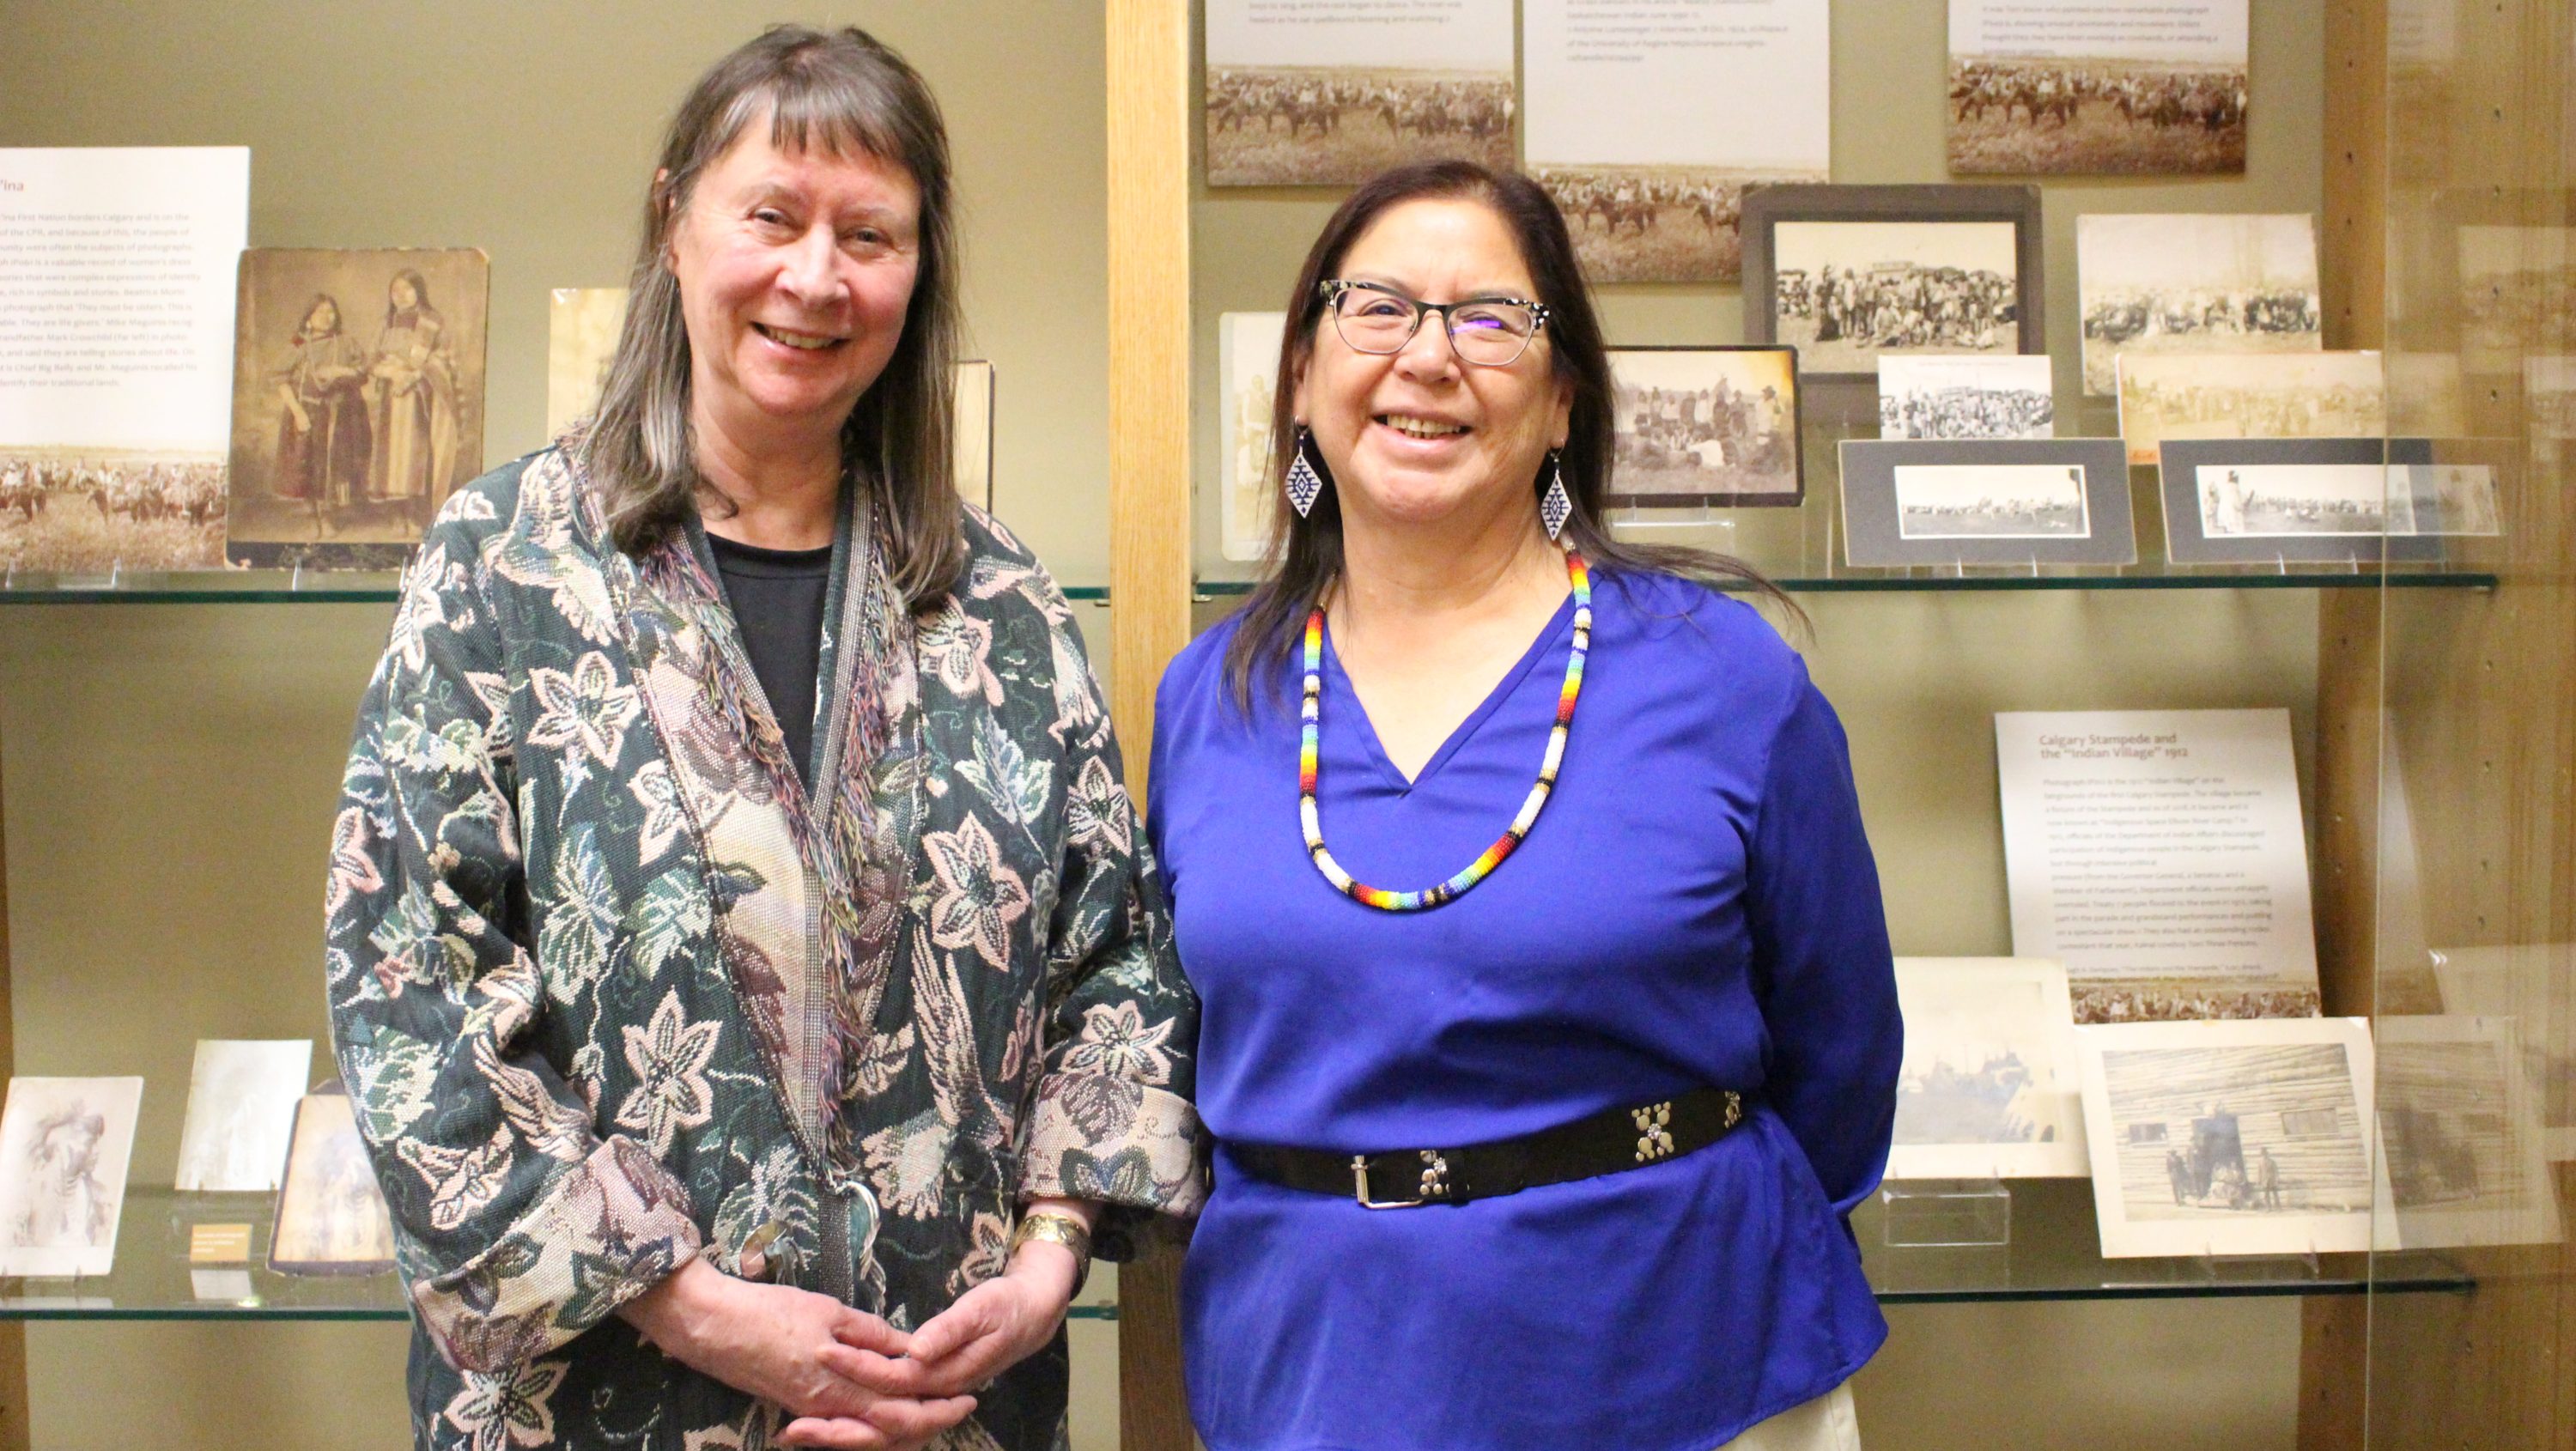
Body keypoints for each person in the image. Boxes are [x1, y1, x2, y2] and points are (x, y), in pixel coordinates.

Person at [325, 27, 1203, 1451]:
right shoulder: (507, 565)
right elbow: (410, 980)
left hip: (945, 1403)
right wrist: (696, 1307)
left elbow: (1118, 953)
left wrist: (1047, 1254)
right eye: (772, 217)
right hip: (604, 1399)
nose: (815, 277)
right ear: (674, 222)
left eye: (870, 234)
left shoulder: (1003, 602)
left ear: (917, 275)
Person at [1150, 161, 1900, 1451]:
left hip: (1690, 1376)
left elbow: (1843, 1059)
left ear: (1561, 401)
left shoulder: (1727, 678)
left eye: (1490, 317)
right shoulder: (1207, 700)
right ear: (1299, 377)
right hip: (1312, 1383)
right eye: (1376, 306)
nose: (1427, 357)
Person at [363, 268, 462, 522]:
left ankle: (417, 513)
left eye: (407, 288)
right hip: (389, 397)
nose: (401, 295)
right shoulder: (385, 323)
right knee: (390, 455)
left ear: (419, 291)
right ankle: (397, 514)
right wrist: (391, 373)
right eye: (395, 290)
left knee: (416, 452)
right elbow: (370, 359)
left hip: (420, 398)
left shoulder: (432, 321)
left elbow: (443, 357)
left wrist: (411, 376)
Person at [270, 292, 372, 532]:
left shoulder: (346, 341)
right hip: (308, 412)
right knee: (309, 463)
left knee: (336, 463)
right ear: (308, 318)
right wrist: (297, 412)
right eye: (319, 312)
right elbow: (280, 378)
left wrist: (340, 370)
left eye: (330, 311)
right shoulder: (298, 342)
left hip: (341, 414)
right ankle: (314, 509)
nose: (326, 317)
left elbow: (363, 371)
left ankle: (328, 513)